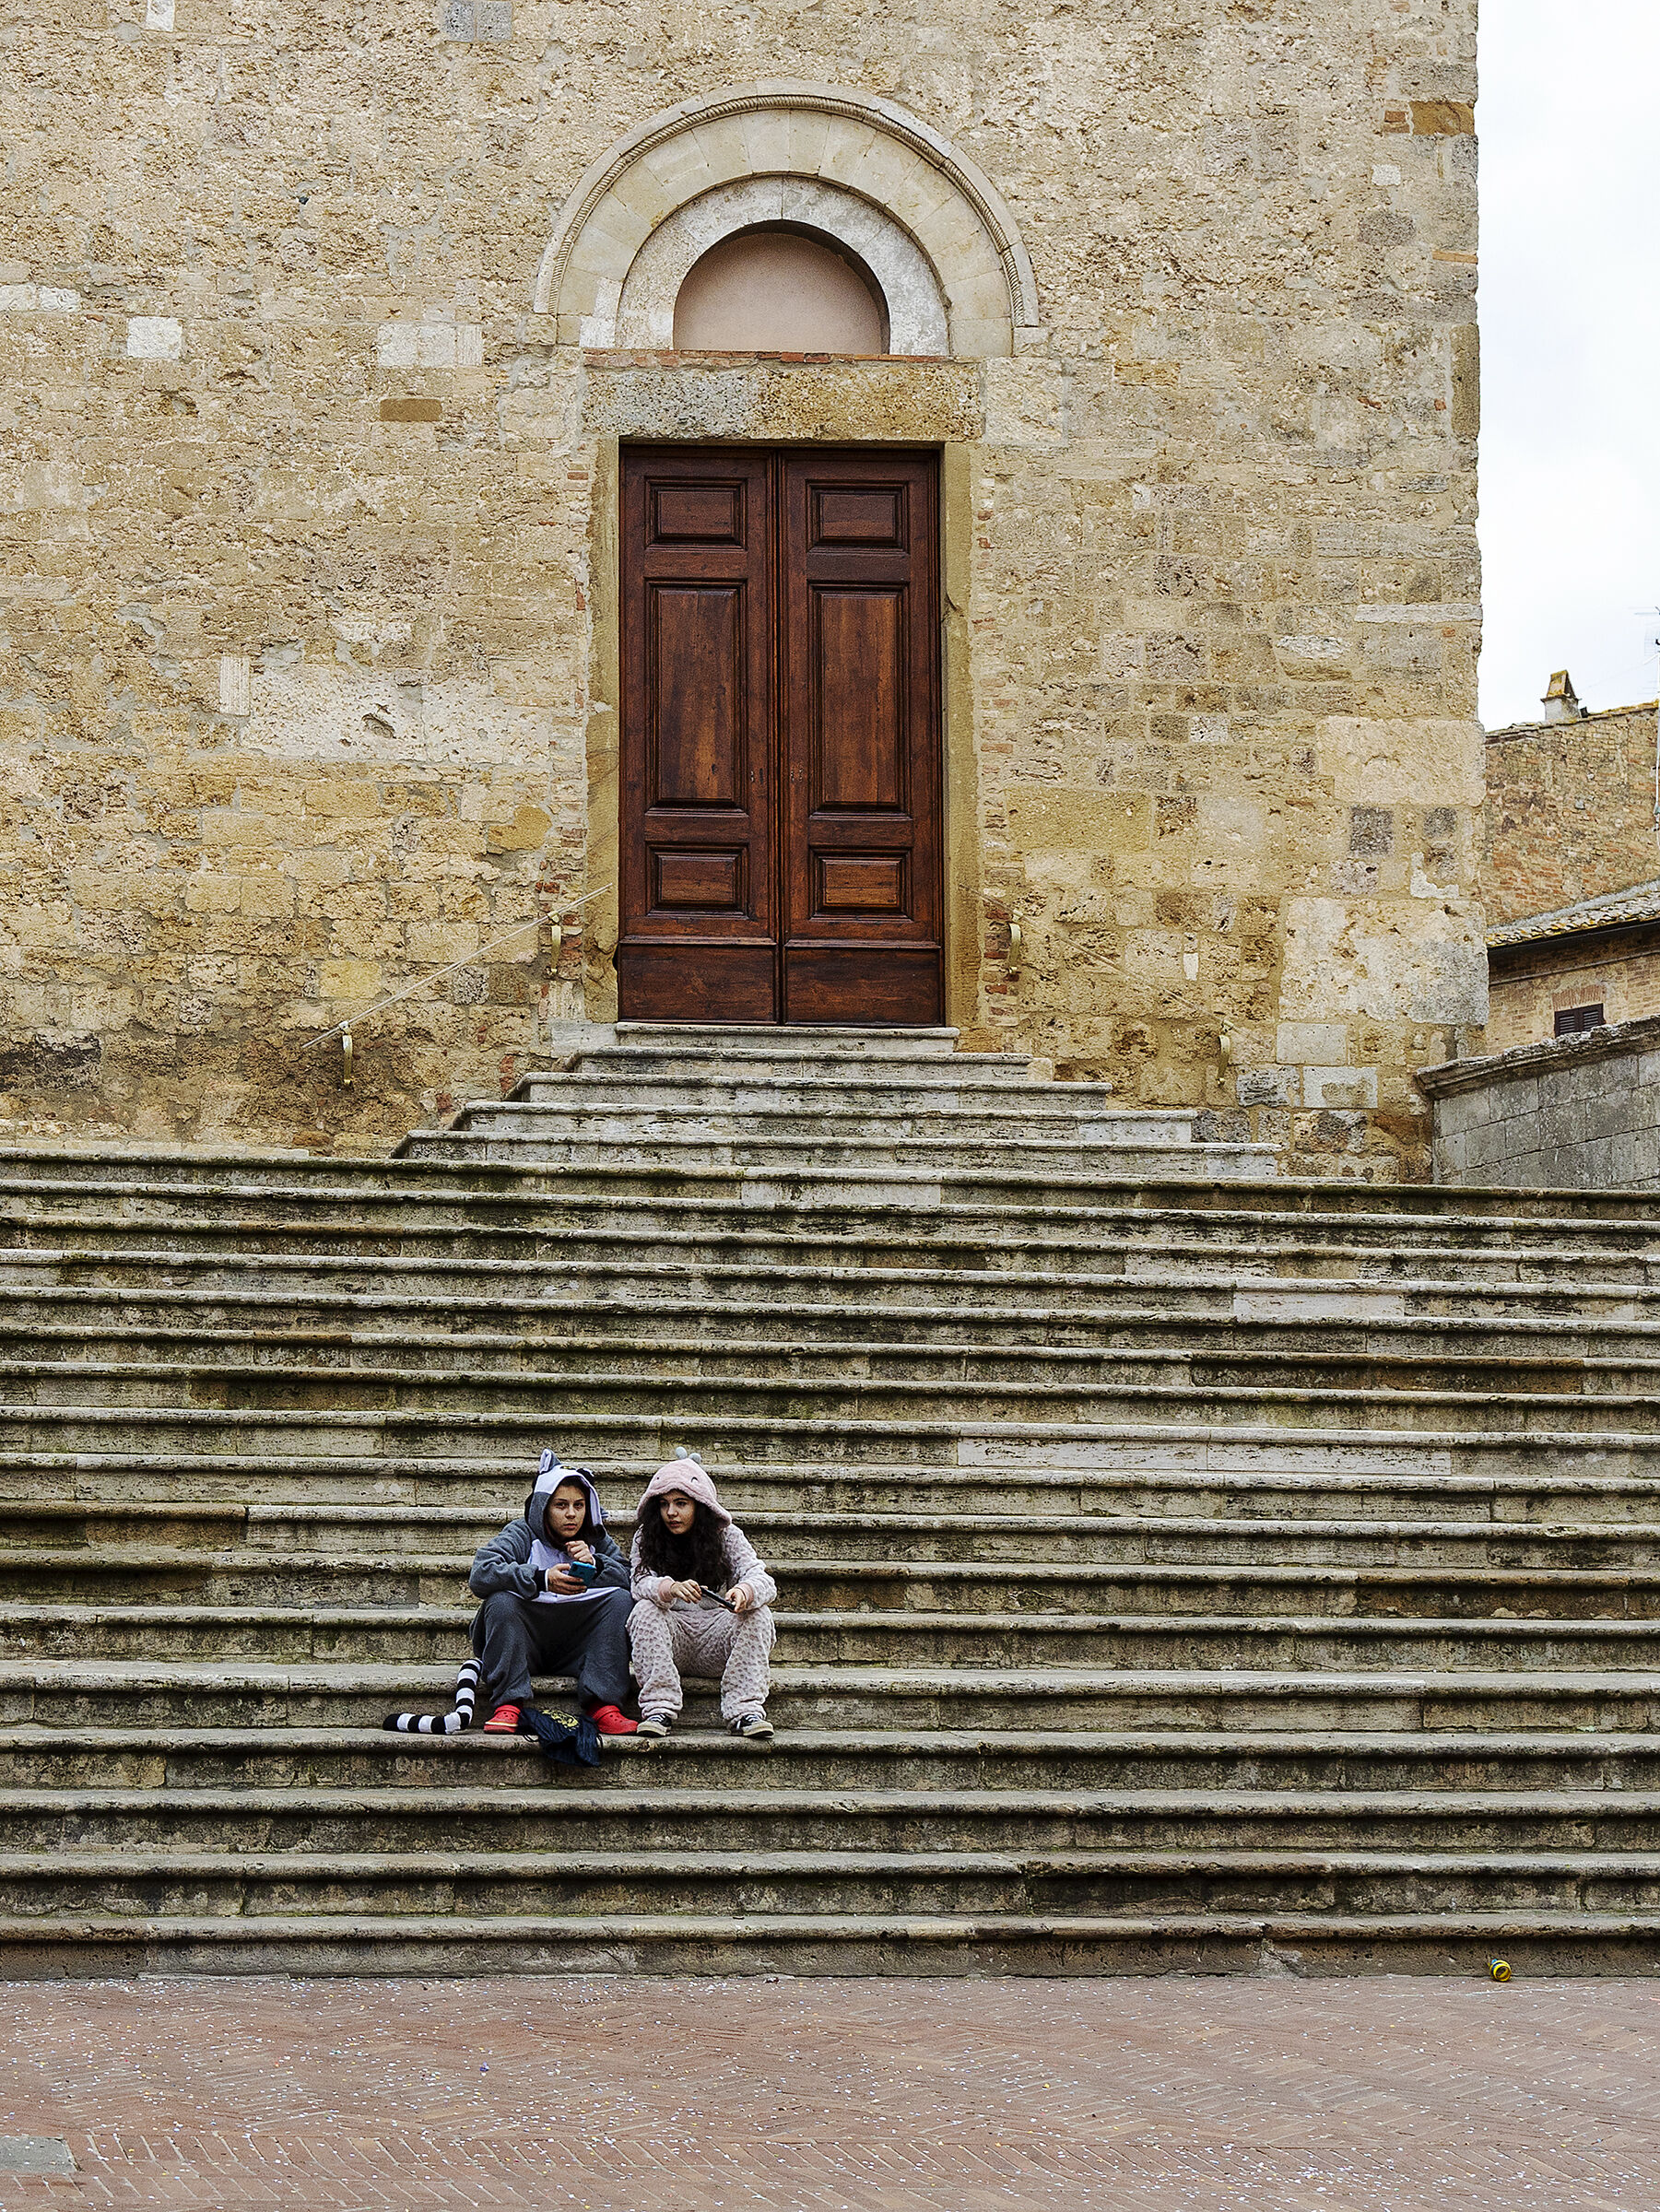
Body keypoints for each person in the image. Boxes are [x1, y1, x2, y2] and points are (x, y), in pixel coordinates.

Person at [469, 1453, 638, 1736]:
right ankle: (509, 1702)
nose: (571, 1514)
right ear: (544, 1508)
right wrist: (540, 1579)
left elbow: (632, 1578)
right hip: (527, 1644)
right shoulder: (522, 1532)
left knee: (621, 1600)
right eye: (561, 1505)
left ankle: (603, 1703)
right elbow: (482, 1572)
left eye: (579, 1505)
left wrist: (597, 1565)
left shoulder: (596, 1538)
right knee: (500, 1601)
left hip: (578, 1647)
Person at [628, 1453, 777, 1740]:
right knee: (644, 1610)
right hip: (672, 1639)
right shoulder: (646, 1537)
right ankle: (659, 1708)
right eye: (664, 1504)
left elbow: (762, 1578)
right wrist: (668, 1588)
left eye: (681, 1503)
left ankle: (745, 1710)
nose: (671, 1512)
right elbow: (638, 1582)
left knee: (759, 1613)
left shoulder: (727, 1535)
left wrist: (745, 1592)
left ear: (700, 1504)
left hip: (717, 1639)